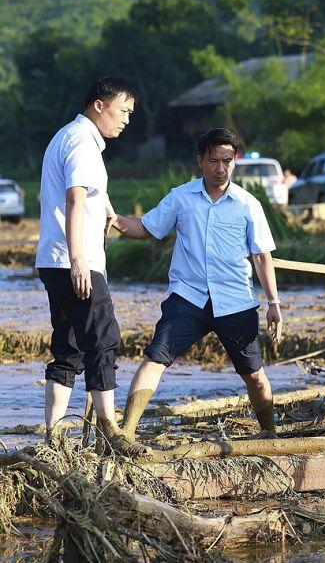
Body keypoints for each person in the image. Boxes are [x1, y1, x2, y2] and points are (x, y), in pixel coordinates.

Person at [112, 128, 283, 450]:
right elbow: (145, 228)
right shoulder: (181, 198)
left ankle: (269, 434)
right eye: (214, 160)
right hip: (188, 299)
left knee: (255, 375)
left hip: (235, 301)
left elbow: (262, 256)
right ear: (200, 161)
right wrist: (112, 219)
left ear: (235, 162)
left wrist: (274, 302)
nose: (221, 168)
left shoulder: (248, 204)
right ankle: (128, 433)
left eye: (227, 161)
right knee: (154, 358)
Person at [35, 76, 141, 454]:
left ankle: (53, 436)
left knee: (69, 346)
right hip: (75, 261)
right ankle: (111, 432)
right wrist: (79, 259)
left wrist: (109, 210)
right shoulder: (83, 144)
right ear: (100, 105)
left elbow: (89, 193)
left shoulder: (69, 137)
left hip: (52, 260)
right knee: (103, 341)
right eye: (123, 110)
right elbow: (75, 199)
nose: (126, 120)